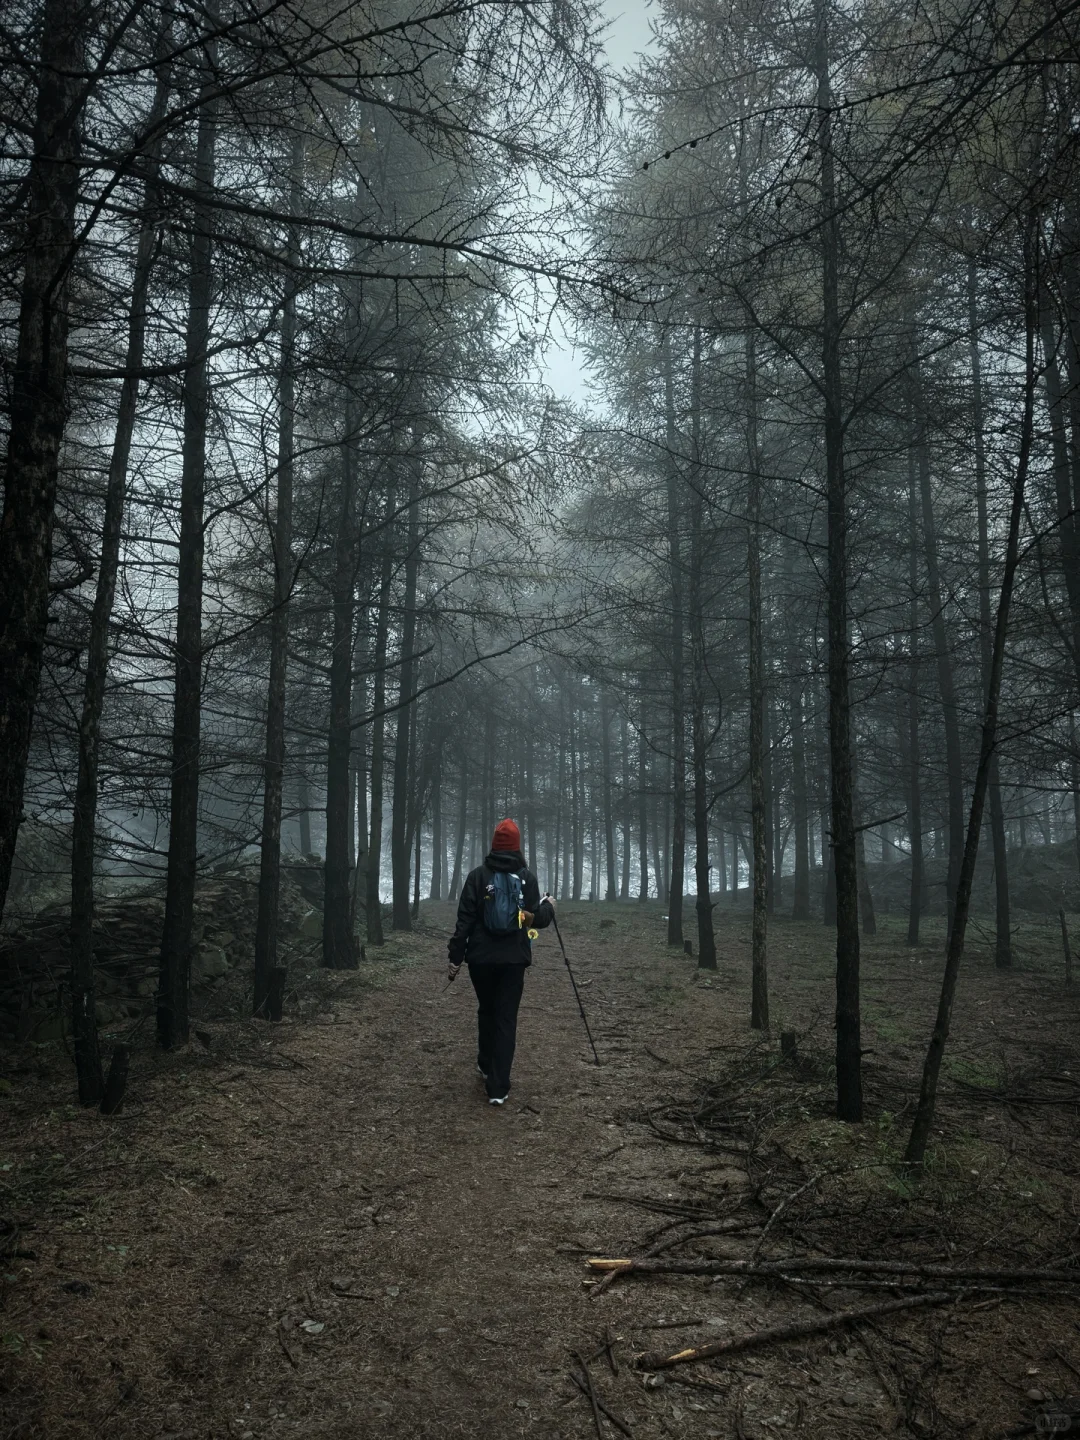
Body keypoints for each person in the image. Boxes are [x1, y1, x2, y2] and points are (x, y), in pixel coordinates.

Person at [447, 818, 555, 1105]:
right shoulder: (527, 878)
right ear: (517, 846)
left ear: (494, 845)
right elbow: (535, 919)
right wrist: (550, 907)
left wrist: (455, 958)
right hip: (513, 961)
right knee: (506, 1018)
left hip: (480, 960)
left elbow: (464, 921)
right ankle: (498, 1088)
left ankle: (484, 1063)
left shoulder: (477, 877)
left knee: (486, 1009)